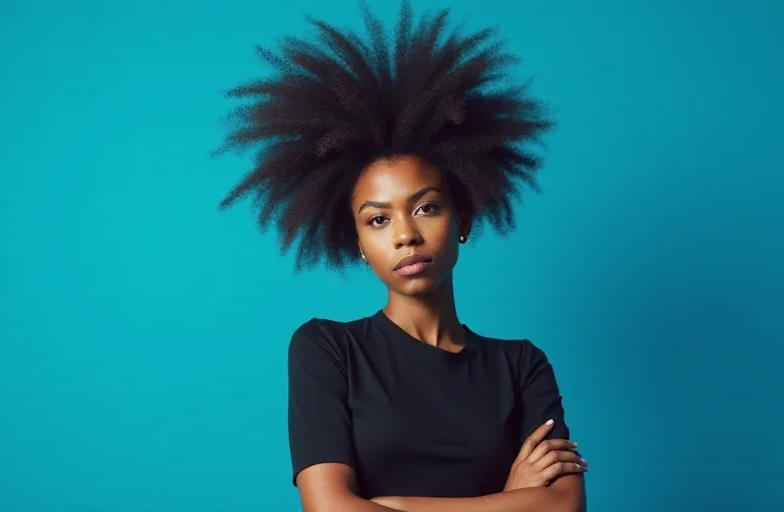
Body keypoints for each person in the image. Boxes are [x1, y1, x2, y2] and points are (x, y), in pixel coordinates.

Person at [213, 1, 587, 510]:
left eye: (426, 208)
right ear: (359, 244)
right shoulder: (328, 350)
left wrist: (401, 506)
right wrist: (509, 499)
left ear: (463, 220)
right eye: (378, 219)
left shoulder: (520, 365)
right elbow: (329, 508)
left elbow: (565, 505)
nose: (406, 235)